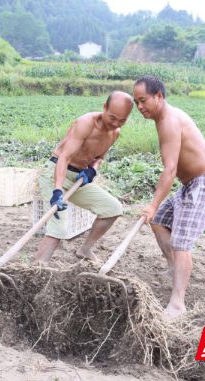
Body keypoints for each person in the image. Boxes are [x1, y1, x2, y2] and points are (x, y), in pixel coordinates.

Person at [133, 76, 205, 320]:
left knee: (181, 242)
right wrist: (155, 211)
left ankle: (177, 303)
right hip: (190, 185)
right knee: (159, 221)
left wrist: (152, 204)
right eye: (136, 103)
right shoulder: (163, 118)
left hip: (204, 186)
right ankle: (175, 267)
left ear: (159, 96)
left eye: (143, 101)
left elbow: (170, 169)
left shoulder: (169, 121)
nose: (140, 107)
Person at [35, 91, 134, 265]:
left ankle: (85, 250)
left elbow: (99, 157)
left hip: (79, 179)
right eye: (112, 117)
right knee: (58, 227)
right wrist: (57, 190)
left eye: (122, 120)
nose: (116, 124)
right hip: (56, 173)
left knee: (112, 208)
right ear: (104, 107)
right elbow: (64, 157)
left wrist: (92, 170)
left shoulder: (115, 133)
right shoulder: (85, 123)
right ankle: (38, 267)